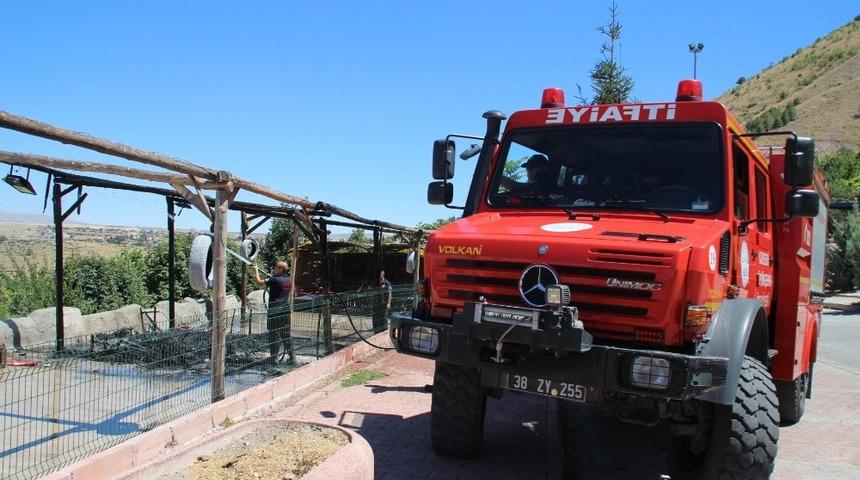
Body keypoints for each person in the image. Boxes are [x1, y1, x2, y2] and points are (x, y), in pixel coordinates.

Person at [254, 261, 295, 364]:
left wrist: (255, 271)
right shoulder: (288, 280)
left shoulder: (275, 280)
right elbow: (275, 283)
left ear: (280, 269)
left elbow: (259, 283)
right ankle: (293, 358)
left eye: (276, 268)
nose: (274, 269)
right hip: (285, 310)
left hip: (274, 312)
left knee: (274, 336)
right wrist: (271, 278)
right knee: (286, 335)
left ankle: (274, 360)